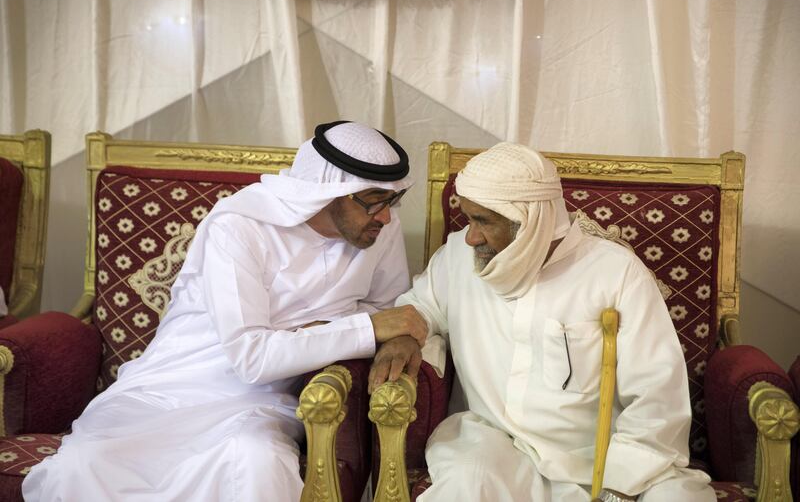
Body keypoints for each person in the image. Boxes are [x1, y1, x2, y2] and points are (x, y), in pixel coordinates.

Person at [22, 121, 428, 502]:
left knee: (255, 461)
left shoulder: (378, 228)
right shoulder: (240, 227)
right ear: (326, 192)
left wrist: (396, 333)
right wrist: (365, 327)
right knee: (83, 467)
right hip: (175, 387)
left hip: (262, 402)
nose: (388, 217)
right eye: (375, 203)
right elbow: (251, 357)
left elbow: (389, 310)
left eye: (393, 201)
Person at [369, 142, 715, 502]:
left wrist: (620, 484)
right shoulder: (458, 256)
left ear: (529, 222)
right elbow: (419, 308)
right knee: (466, 485)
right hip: (497, 447)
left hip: (601, 458)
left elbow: (656, 394)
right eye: (468, 218)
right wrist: (405, 337)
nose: (470, 236)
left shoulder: (615, 273)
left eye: (482, 221)